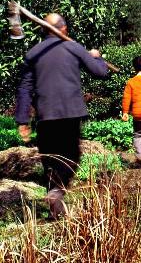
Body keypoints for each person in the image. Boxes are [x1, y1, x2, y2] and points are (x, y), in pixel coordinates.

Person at [15, 13, 108, 219]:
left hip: (45, 117)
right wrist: (96, 56)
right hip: (70, 115)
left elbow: (24, 89)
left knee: (50, 162)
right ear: (63, 29)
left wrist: (23, 119)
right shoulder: (74, 48)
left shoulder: (33, 54)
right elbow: (101, 72)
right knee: (71, 159)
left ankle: (56, 212)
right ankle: (57, 194)